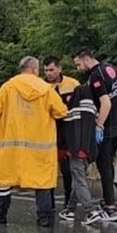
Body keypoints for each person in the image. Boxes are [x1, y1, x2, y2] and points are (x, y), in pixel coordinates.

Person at [0, 56, 69, 227]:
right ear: (34, 69)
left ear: (22, 69)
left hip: (11, 149)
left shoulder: (9, 87)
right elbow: (60, 111)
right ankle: (44, 217)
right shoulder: (46, 89)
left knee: (4, 181)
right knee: (41, 182)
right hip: (39, 149)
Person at [72, 47, 117, 222]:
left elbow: (106, 103)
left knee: (104, 167)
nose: (78, 68)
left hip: (108, 128)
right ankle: (107, 202)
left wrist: (99, 126)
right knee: (109, 165)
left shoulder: (96, 75)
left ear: (86, 59)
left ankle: (111, 209)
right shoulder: (110, 68)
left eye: (78, 64)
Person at [58, 85, 108, 225]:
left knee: (79, 180)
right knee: (77, 180)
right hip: (90, 151)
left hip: (76, 151)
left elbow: (64, 131)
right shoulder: (93, 111)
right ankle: (70, 210)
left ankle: (90, 211)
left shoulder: (73, 112)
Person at [42, 56, 80, 218]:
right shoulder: (41, 87)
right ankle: (48, 204)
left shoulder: (73, 84)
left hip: (67, 133)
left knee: (67, 172)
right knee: (47, 172)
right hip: (47, 133)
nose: (49, 74)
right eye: (46, 70)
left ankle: (68, 204)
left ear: (59, 69)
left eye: (51, 70)